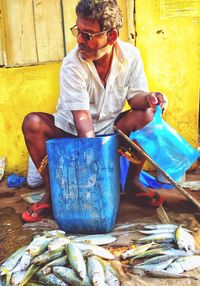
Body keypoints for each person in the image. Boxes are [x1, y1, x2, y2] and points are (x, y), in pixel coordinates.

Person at [22, 0, 167, 222]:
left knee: (147, 115)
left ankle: (132, 184)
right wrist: (92, 167)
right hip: (71, 133)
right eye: (78, 32)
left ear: (111, 36)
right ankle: (52, 194)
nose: (80, 40)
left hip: (111, 131)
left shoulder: (131, 56)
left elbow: (135, 99)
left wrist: (149, 99)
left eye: (87, 35)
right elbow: (81, 117)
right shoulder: (73, 64)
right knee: (33, 124)